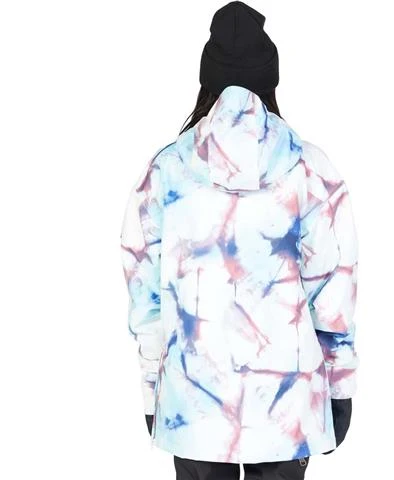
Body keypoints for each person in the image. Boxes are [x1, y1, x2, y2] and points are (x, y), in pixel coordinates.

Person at [120, 2, 359, 479]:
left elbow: (145, 296)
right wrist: (340, 387)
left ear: (206, 83)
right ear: (270, 83)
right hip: (287, 406)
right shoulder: (310, 169)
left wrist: (152, 389)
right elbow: (333, 292)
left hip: (192, 406)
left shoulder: (166, 170)